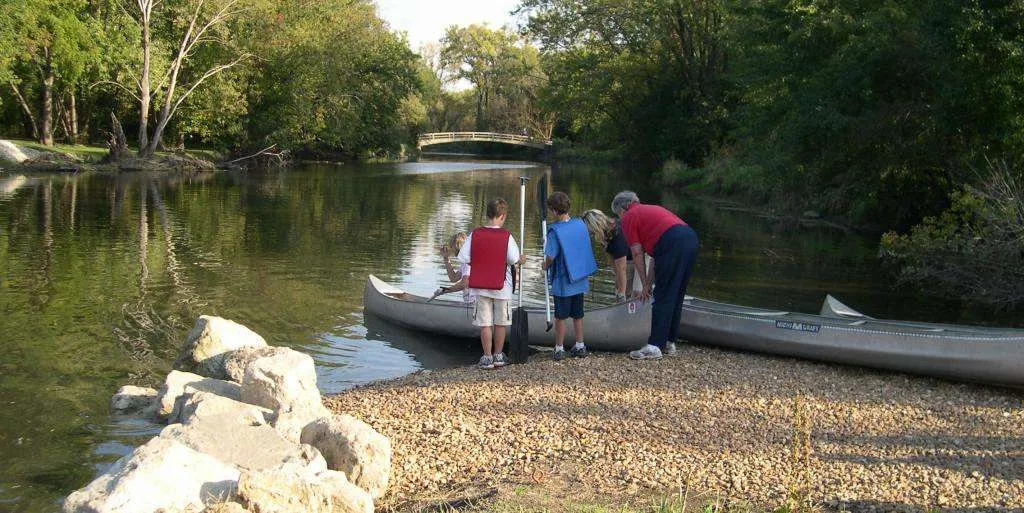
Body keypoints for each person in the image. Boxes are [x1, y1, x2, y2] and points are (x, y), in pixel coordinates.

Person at [611, 191, 699, 360]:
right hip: (690, 239)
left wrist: (646, 284)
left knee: (662, 295)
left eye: (619, 214)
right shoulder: (651, 210)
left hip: (672, 243)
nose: (620, 218)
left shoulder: (629, 217)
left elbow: (637, 253)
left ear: (624, 207)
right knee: (676, 294)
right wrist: (647, 284)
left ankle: (654, 346)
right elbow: (654, 257)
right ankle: (669, 342)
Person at [457, 198, 524, 370]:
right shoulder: (506, 236)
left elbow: (464, 257)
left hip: (480, 285)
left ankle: (487, 357)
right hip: (502, 286)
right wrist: (521, 260)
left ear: (488, 214)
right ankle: (498, 356)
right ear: (502, 216)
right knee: (500, 322)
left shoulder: (475, 234)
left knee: (485, 323)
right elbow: (513, 259)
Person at [543, 192, 598, 360]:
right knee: (578, 314)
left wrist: (544, 265)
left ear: (553, 211)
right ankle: (580, 345)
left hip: (563, 283)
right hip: (580, 279)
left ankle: (559, 348)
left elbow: (551, 256)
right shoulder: (579, 224)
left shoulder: (554, 232)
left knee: (560, 316)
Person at [581, 209, 651, 302]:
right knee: (622, 290)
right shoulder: (603, 235)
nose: (590, 235)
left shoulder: (617, 235)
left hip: (641, 255)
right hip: (627, 257)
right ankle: (624, 310)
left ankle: (640, 311)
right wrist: (617, 282)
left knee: (636, 293)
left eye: (590, 232)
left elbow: (622, 268)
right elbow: (612, 260)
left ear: (596, 226)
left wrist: (621, 294)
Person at [435, 232, 474, 304]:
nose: (451, 249)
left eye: (452, 246)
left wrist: (445, 290)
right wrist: (446, 258)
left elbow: (465, 283)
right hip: (470, 304)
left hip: (474, 304)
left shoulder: (468, 260)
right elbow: (454, 278)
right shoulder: (464, 262)